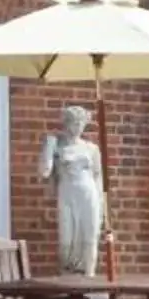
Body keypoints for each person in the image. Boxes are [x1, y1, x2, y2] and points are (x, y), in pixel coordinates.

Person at [40, 105, 106, 275]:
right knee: (66, 242)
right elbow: (44, 172)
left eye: (81, 123)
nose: (77, 127)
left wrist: (102, 205)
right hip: (67, 194)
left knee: (90, 238)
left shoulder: (92, 149)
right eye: (73, 123)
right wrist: (48, 148)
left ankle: (89, 279)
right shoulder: (57, 146)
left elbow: (98, 177)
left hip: (89, 195)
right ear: (66, 123)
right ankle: (68, 276)